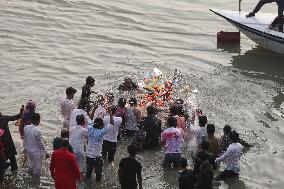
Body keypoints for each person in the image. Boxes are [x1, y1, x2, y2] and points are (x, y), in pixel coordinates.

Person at [85, 109, 114, 181]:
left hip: (88, 156)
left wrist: (94, 109)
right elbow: (111, 124)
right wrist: (110, 113)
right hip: (96, 157)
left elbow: (90, 120)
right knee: (98, 176)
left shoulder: (89, 128)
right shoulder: (101, 132)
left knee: (88, 174)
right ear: (101, 125)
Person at [0, 105, 24, 171]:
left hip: (7, 144)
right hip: (4, 145)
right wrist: (20, 114)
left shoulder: (4, 117)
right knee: (9, 162)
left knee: (10, 162)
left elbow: (15, 117)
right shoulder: (4, 118)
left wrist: (20, 113)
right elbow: (15, 117)